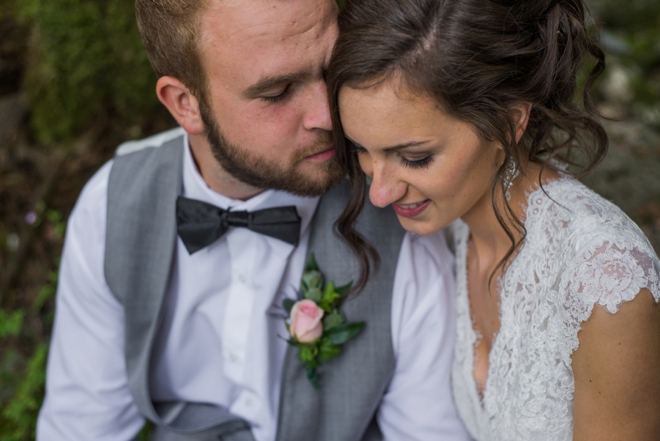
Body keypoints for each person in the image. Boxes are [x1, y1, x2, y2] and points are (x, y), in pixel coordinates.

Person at [36, 0, 472, 440]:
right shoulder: (110, 210)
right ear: (186, 103)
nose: (327, 116)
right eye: (277, 91)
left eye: (332, 67)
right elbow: (82, 425)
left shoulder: (400, 220)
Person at [327, 0, 660, 440]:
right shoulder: (447, 228)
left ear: (509, 122)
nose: (379, 192)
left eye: (414, 157)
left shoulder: (607, 280)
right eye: (361, 150)